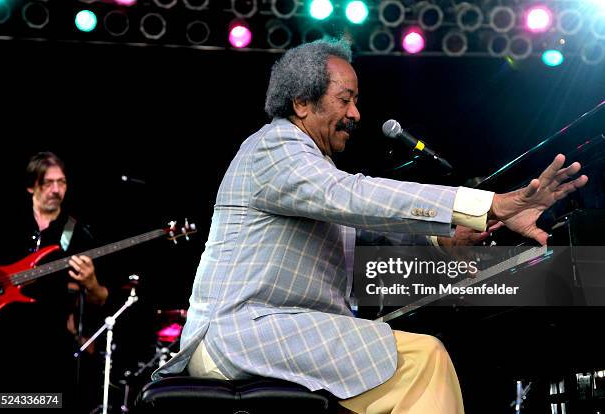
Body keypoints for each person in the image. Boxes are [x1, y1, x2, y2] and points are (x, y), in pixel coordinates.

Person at [152, 39, 587, 413]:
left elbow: (365, 232)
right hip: (242, 335)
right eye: (345, 99)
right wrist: (492, 204)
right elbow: (356, 196)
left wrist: (447, 237)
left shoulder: (308, 167)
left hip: (270, 333)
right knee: (424, 359)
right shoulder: (275, 148)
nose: (357, 113)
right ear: (301, 102)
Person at [0, 152, 108, 410]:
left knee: (48, 405)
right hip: (3, 342)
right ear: (31, 186)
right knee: (2, 404)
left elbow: (101, 298)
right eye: (48, 183)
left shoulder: (77, 234)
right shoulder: (4, 223)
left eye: (62, 182)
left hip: (50, 349)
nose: (56, 190)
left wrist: (90, 282)